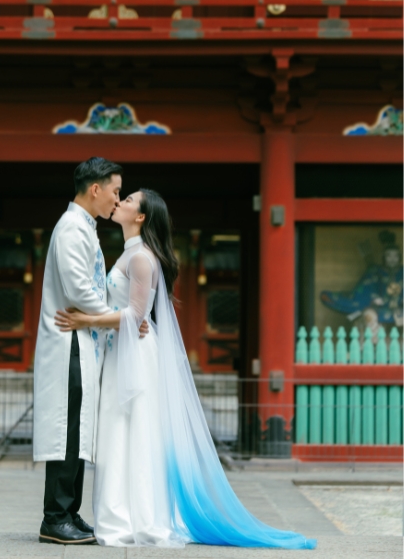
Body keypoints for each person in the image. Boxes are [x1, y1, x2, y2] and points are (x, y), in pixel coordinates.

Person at [55, 189, 315, 549]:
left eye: (128, 200)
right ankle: (117, 516)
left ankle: (137, 519)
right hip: (122, 351)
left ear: (141, 216)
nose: (121, 202)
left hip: (137, 356)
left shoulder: (142, 259)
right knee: (119, 433)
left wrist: (86, 320)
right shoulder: (130, 255)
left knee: (134, 433)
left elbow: (136, 315)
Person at [32, 157, 125, 546]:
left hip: (79, 340)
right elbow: (78, 291)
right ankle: (55, 517)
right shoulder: (72, 228)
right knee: (67, 429)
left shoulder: (81, 226)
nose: (117, 202)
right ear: (95, 189)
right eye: (116, 192)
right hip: (69, 341)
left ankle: (69, 511)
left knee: (77, 427)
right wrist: (115, 317)